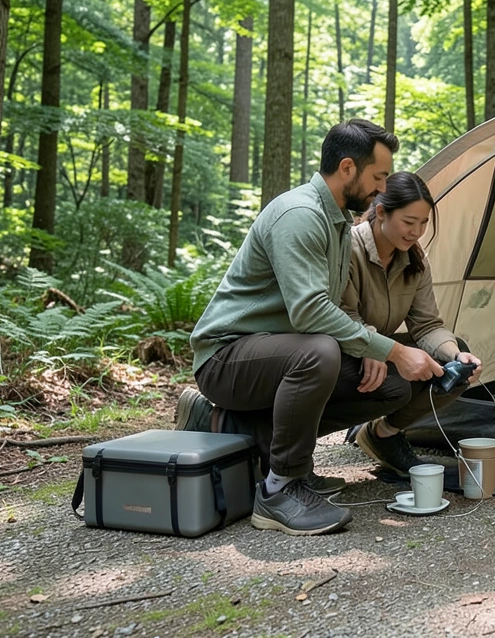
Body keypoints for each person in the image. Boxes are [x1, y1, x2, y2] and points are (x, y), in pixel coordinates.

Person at [177, 119, 444, 536]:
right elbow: (310, 313)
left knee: (391, 385)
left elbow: (333, 311)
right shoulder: (301, 214)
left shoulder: (336, 219)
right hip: (227, 357)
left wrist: (378, 353)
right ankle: (281, 487)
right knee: (319, 351)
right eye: (378, 177)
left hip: (275, 355)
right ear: (347, 168)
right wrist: (391, 349)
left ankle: (228, 427)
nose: (381, 190)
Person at [339, 172, 483, 474]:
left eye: (424, 223)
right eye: (408, 222)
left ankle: (383, 434)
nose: (416, 231)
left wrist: (456, 356)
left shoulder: (415, 260)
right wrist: (374, 345)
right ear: (381, 213)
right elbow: (341, 313)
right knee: (398, 385)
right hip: (343, 349)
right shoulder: (347, 249)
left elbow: (427, 325)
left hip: (380, 352)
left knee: (456, 361)